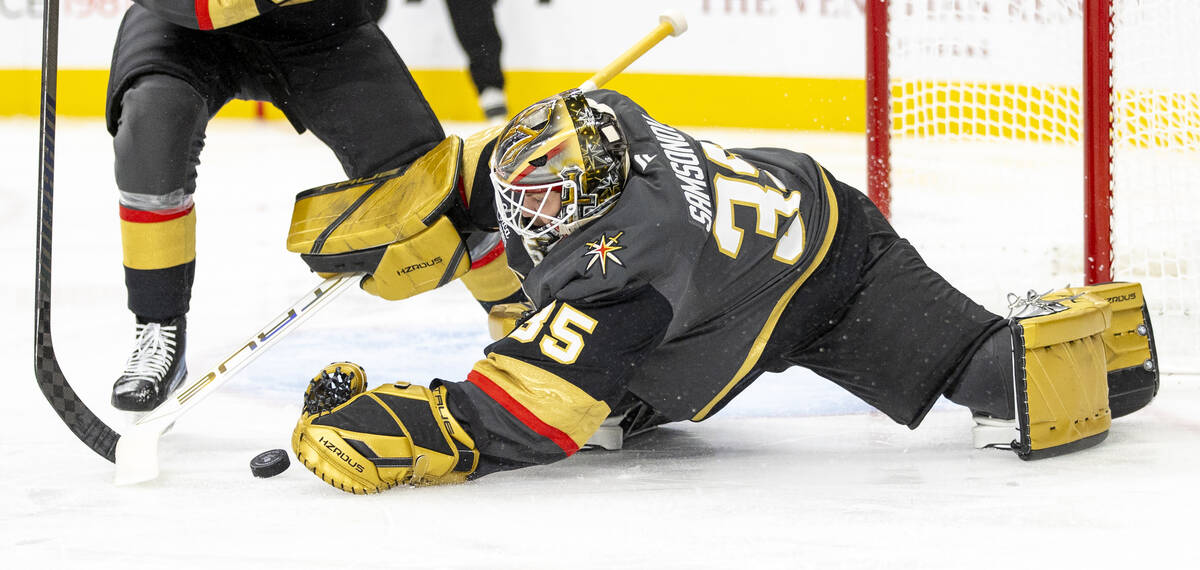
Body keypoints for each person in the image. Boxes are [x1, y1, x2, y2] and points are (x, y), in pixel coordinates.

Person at [287, 89, 1160, 494]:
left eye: (543, 204)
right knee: (606, 389)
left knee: (1009, 387)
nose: (525, 213)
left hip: (836, 271)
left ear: (594, 211)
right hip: (734, 269)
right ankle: (626, 401)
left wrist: (402, 427)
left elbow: (521, 416)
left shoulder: (629, 269)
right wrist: (449, 204)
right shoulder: (601, 118)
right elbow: (494, 164)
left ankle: (1074, 339)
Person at [107, 0, 523, 411]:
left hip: (315, 26)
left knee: (433, 190)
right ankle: (158, 327)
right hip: (180, 30)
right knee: (152, 133)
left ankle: (527, 328)